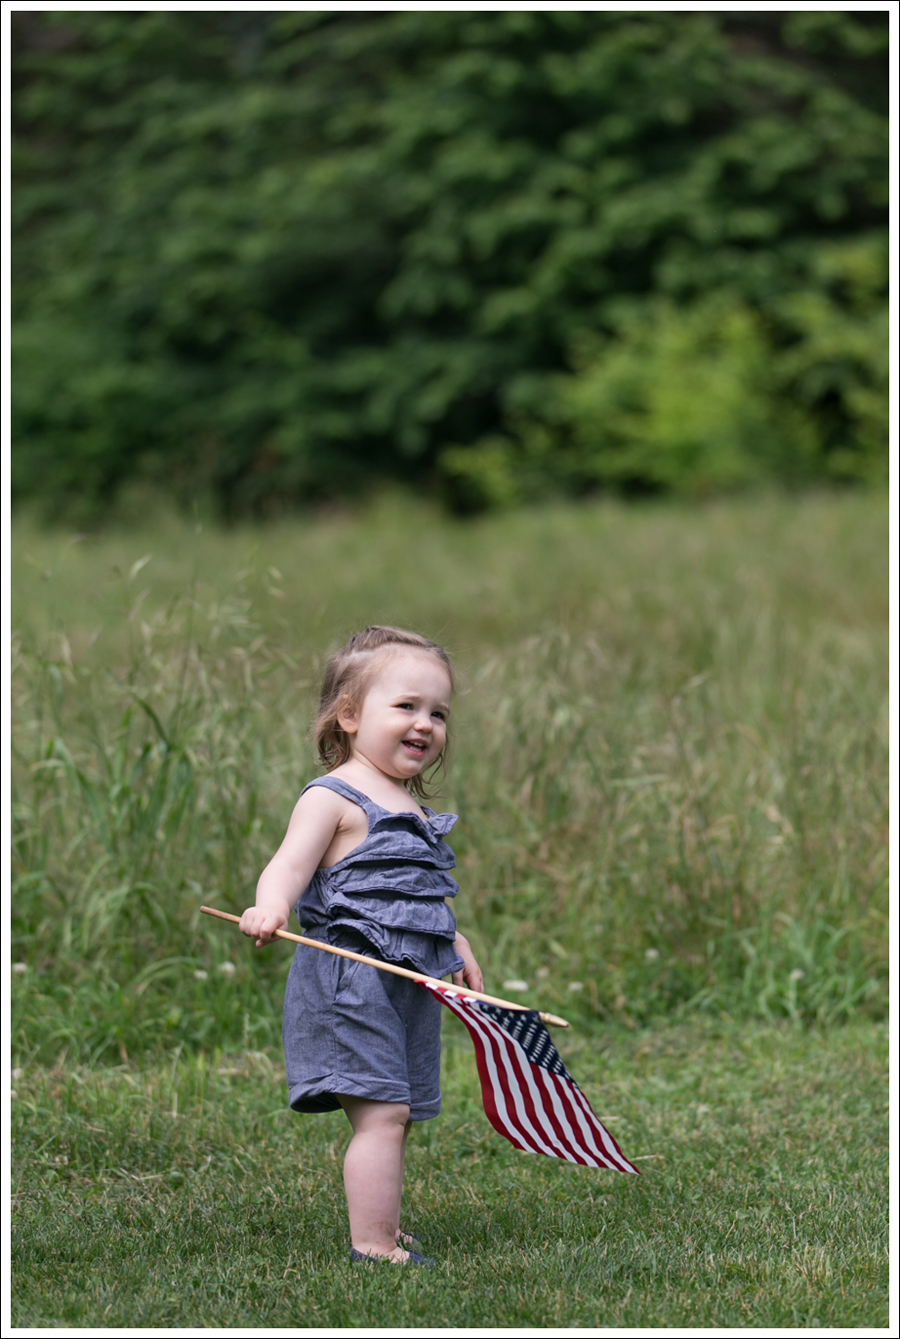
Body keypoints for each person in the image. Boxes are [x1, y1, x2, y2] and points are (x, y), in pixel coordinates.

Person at [239, 626, 484, 1265]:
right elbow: (288, 865)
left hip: (405, 981)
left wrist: (452, 941)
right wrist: (272, 905)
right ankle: (372, 1246)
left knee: (399, 1111)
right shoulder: (334, 797)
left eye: (438, 713)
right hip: (351, 982)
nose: (425, 724)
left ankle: (383, 1225)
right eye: (406, 706)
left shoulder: (411, 806)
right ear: (348, 715)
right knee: (382, 1114)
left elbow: (412, 897)